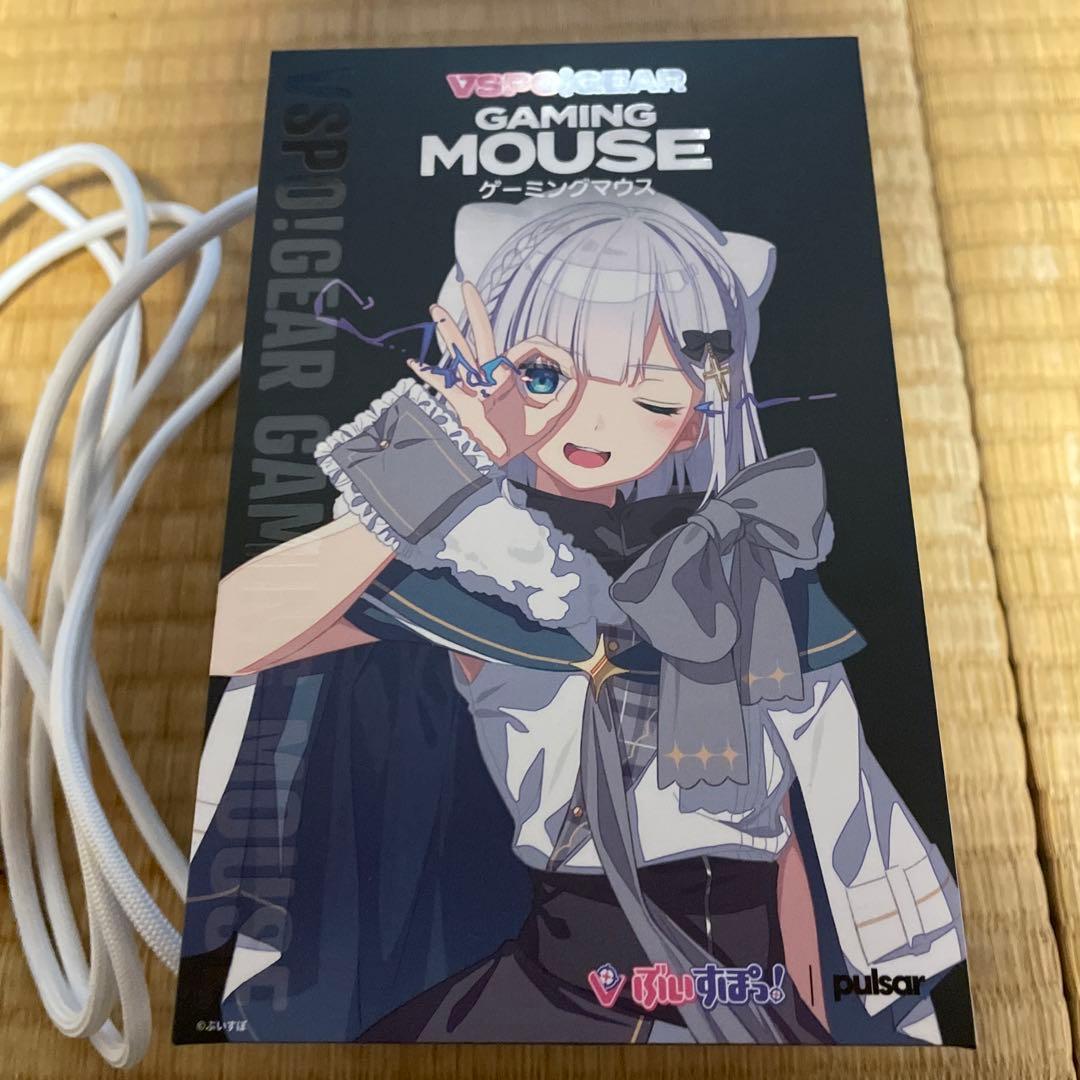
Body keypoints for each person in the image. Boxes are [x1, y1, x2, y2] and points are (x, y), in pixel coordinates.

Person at [187, 191, 966, 1045]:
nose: (591, 422)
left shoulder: (750, 566)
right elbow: (234, 633)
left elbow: (796, 833)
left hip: (745, 992)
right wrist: (458, 455)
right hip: (562, 982)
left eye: (651, 397)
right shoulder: (481, 558)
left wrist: (810, 1029)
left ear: (693, 420)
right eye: (546, 377)